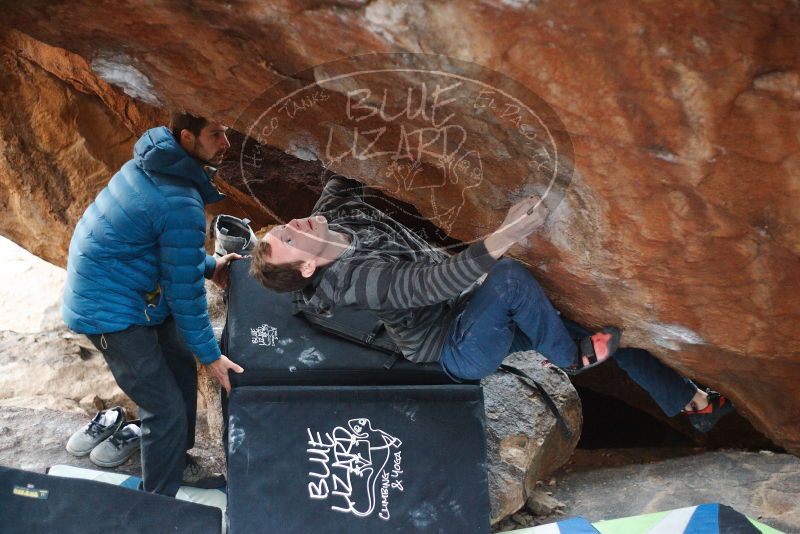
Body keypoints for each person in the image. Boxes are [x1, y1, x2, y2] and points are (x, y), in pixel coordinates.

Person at [249, 177, 732, 431]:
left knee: (600, 326)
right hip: (458, 347)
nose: (293, 224)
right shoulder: (360, 282)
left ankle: (694, 404)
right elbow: (438, 282)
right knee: (509, 280)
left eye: (283, 228)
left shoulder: (330, 216)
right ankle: (569, 358)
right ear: (308, 268)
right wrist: (508, 232)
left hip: (472, 312)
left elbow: (343, 164)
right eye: (289, 239)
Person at [62, 113, 244, 496]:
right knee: (164, 408)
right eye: (216, 135)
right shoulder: (179, 198)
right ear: (187, 137)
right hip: (110, 312)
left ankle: (176, 464)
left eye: (226, 133)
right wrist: (212, 358)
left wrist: (210, 267)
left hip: (130, 291)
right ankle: (158, 504)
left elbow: (166, 248)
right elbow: (184, 295)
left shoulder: (155, 162)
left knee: (179, 368)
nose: (226, 143)